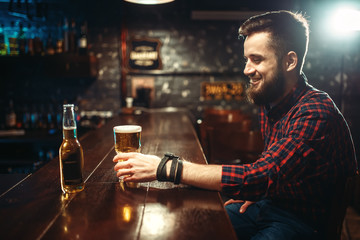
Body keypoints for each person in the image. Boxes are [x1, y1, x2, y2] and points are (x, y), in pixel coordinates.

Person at [113, 10, 358, 239]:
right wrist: (261, 194)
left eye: (257, 59)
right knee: (191, 228)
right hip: (270, 205)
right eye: (246, 59)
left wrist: (166, 168)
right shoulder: (271, 102)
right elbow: (271, 172)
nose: (247, 69)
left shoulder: (316, 113)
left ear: (290, 61)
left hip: (303, 222)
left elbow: (260, 176)